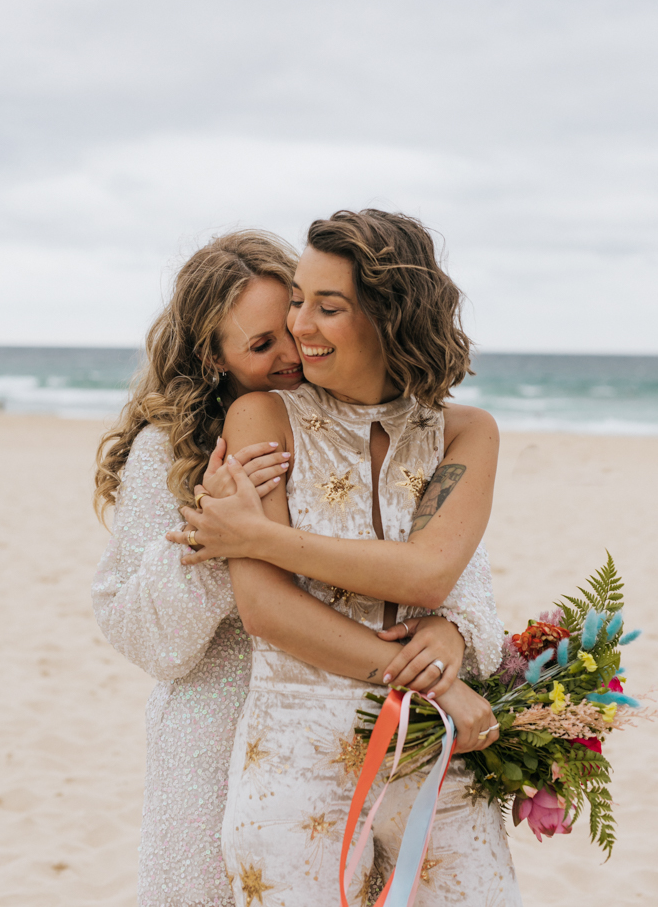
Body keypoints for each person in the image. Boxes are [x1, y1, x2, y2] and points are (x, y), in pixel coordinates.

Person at [92, 229, 474, 907]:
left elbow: (446, 569)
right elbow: (148, 642)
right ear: (214, 355)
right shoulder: (165, 452)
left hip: (354, 723)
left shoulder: (365, 426)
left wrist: (458, 635)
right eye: (261, 344)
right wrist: (215, 540)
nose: (294, 353)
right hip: (214, 728)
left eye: (295, 321)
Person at [177, 210, 522, 906]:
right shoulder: (263, 417)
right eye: (298, 299)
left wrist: (258, 537)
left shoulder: (466, 434)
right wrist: (432, 683)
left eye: (327, 307)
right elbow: (265, 609)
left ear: (391, 316)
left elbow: (430, 573)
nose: (300, 325)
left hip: (438, 760)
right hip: (295, 760)